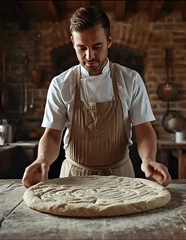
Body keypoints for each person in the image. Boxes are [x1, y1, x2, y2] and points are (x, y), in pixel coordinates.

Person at [22, 6, 171, 188]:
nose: (89, 55)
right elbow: (52, 133)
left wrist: (148, 159)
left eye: (96, 46)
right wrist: (42, 159)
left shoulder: (130, 79)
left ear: (109, 41)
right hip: (74, 178)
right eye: (81, 48)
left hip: (121, 177)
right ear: (72, 42)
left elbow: (143, 127)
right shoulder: (61, 84)